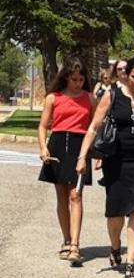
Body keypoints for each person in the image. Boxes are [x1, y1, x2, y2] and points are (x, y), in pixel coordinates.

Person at [77, 56, 134, 278]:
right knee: (115, 211)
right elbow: (94, 127)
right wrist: (82, 157)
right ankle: (115, 246)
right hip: (116, 158)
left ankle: (131, 262)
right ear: (126, 75)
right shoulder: (112, 95)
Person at [38, 57, 96, 265]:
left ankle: (75, 245)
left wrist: (90, 155)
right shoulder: (53, 98)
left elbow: (94, 127)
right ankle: (66, 239)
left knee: (76, 195)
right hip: (58, 144)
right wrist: (43, 147)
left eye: (81, 79)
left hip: (80, 146)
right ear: (66, 77)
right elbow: (42, 126)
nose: (78, 83)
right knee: (62, 196)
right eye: (74, 79)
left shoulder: (90, 98)